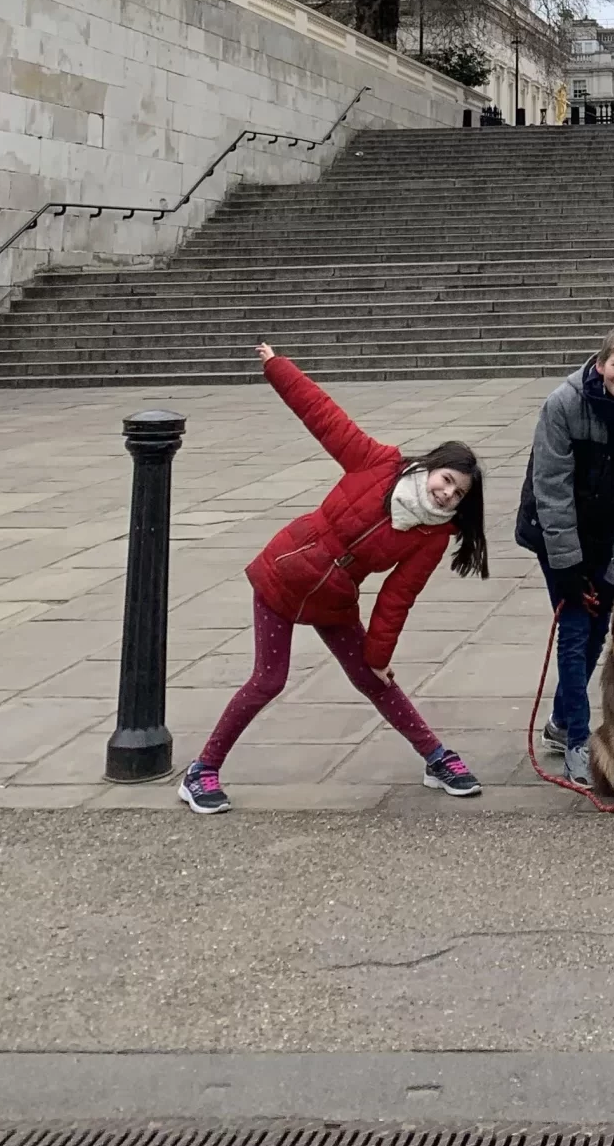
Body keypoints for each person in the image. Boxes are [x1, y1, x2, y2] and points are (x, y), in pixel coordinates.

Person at [177, 345, 488, 814]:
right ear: (429, 466)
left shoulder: (432, 535)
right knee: (268, 681)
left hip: (335, 599)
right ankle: (202, 771)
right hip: (284, 573)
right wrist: (276, 365)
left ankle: (436, 758)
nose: (446, 493)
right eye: (445, 479)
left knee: (374, 679)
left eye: (457, 493)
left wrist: (380, 656)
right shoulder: (377, 464)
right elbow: (323, 415)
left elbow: (397, 598)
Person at [515, 324, 614, 789]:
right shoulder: (563, 404)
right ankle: (579, 740)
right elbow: (551, 486)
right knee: (575, 633)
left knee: (603, 631)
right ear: (600, 365)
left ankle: (560, 721)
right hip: (556, 532)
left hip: (604, 537)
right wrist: (569, 567)